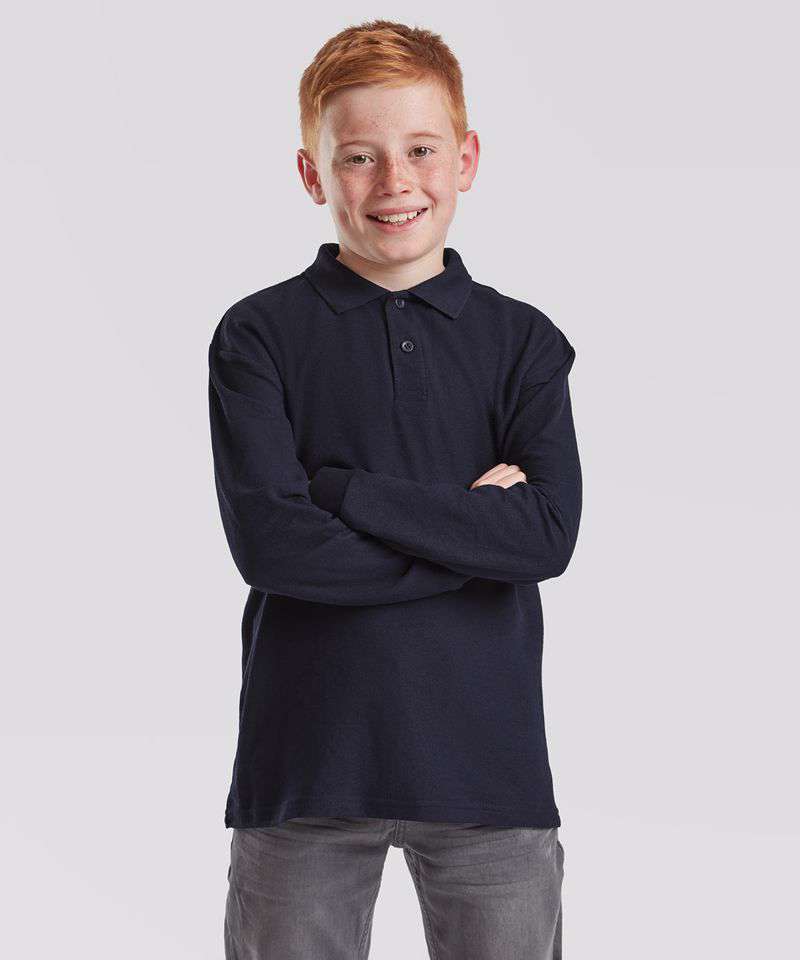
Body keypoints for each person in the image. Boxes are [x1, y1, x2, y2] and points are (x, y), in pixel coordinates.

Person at [208, 18, 582, 960]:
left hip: (488, 768)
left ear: (466, 159)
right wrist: (473, 535)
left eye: (420, 149)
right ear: (313, 174)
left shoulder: (524, 342)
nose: (394, 182)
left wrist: (343, 491)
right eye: (359, 157)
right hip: (306, 769)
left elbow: (544, 537)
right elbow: (275, 547)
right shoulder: (256, 337)